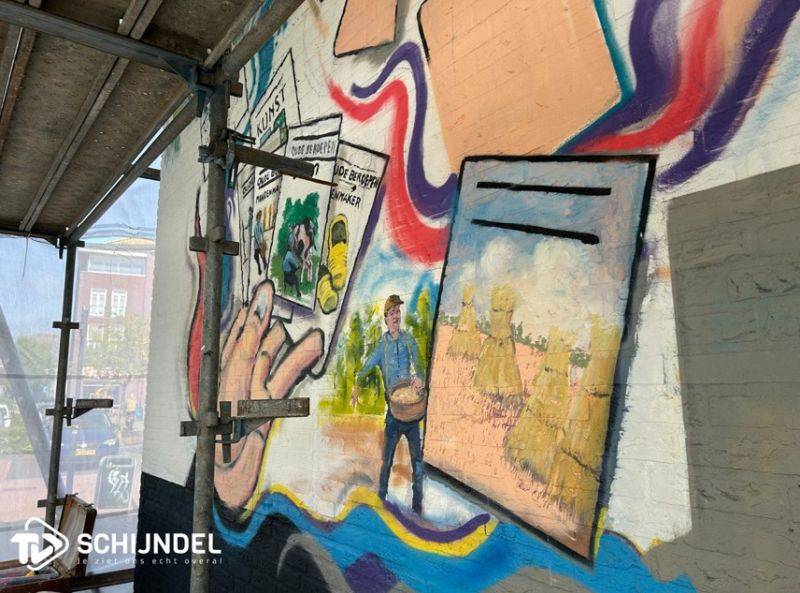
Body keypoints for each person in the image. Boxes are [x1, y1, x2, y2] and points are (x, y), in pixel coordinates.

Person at [351, 294, 425, 513]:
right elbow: (366, 368)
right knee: (387, 460)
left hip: (411, 411)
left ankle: (417, 505)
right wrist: (356, 385)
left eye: (398, 312)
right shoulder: (381, 347)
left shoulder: (408, 339)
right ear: (385, 318)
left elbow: (419, 365)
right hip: (394, 412)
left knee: (417, 461)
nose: (395, 316)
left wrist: (419, 378)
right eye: (392, 313)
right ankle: (381, 501)